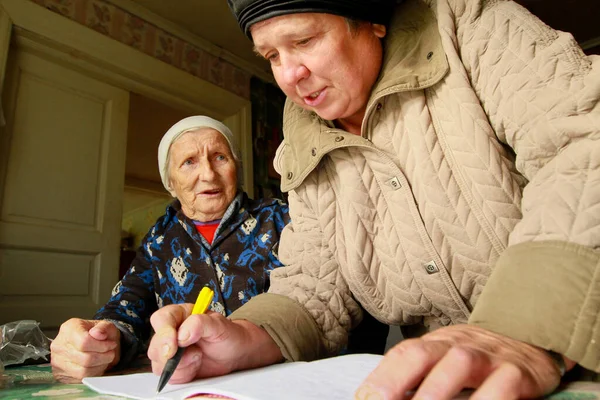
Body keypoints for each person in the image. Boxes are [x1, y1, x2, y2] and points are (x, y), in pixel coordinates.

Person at [147, 0, 600, 398]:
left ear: (370, 19)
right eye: (271, 55)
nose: (288, 75)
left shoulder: (468, 27)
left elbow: (584, 146)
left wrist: (521, 327)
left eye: (303, 40)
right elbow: (315, 282)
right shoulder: (303, 130)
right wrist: (245, 334)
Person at [50, 116, 291, 381]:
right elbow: (127, 304)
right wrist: (102, 339)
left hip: (279, 373)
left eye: (220, 157)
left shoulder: (278, 218)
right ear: (171, 183)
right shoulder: (160, 239)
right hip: (193, 381)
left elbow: (314, 298)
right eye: (189, 162)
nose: (208, 174)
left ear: (236, 168)